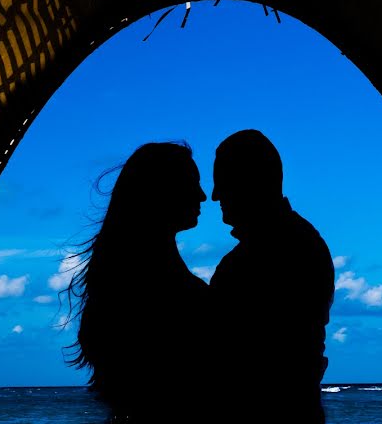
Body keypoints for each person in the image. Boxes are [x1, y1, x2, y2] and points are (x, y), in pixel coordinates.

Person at [65, 142, 210, 423]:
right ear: (161, 192)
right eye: (191, 183)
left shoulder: (122, 280)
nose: (202, 195)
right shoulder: (160, 287)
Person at [209, 129, 335, 423]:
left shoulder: (267, 253)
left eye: (223, 181)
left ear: (251, 181)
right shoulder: (296, 241)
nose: (215, 195)